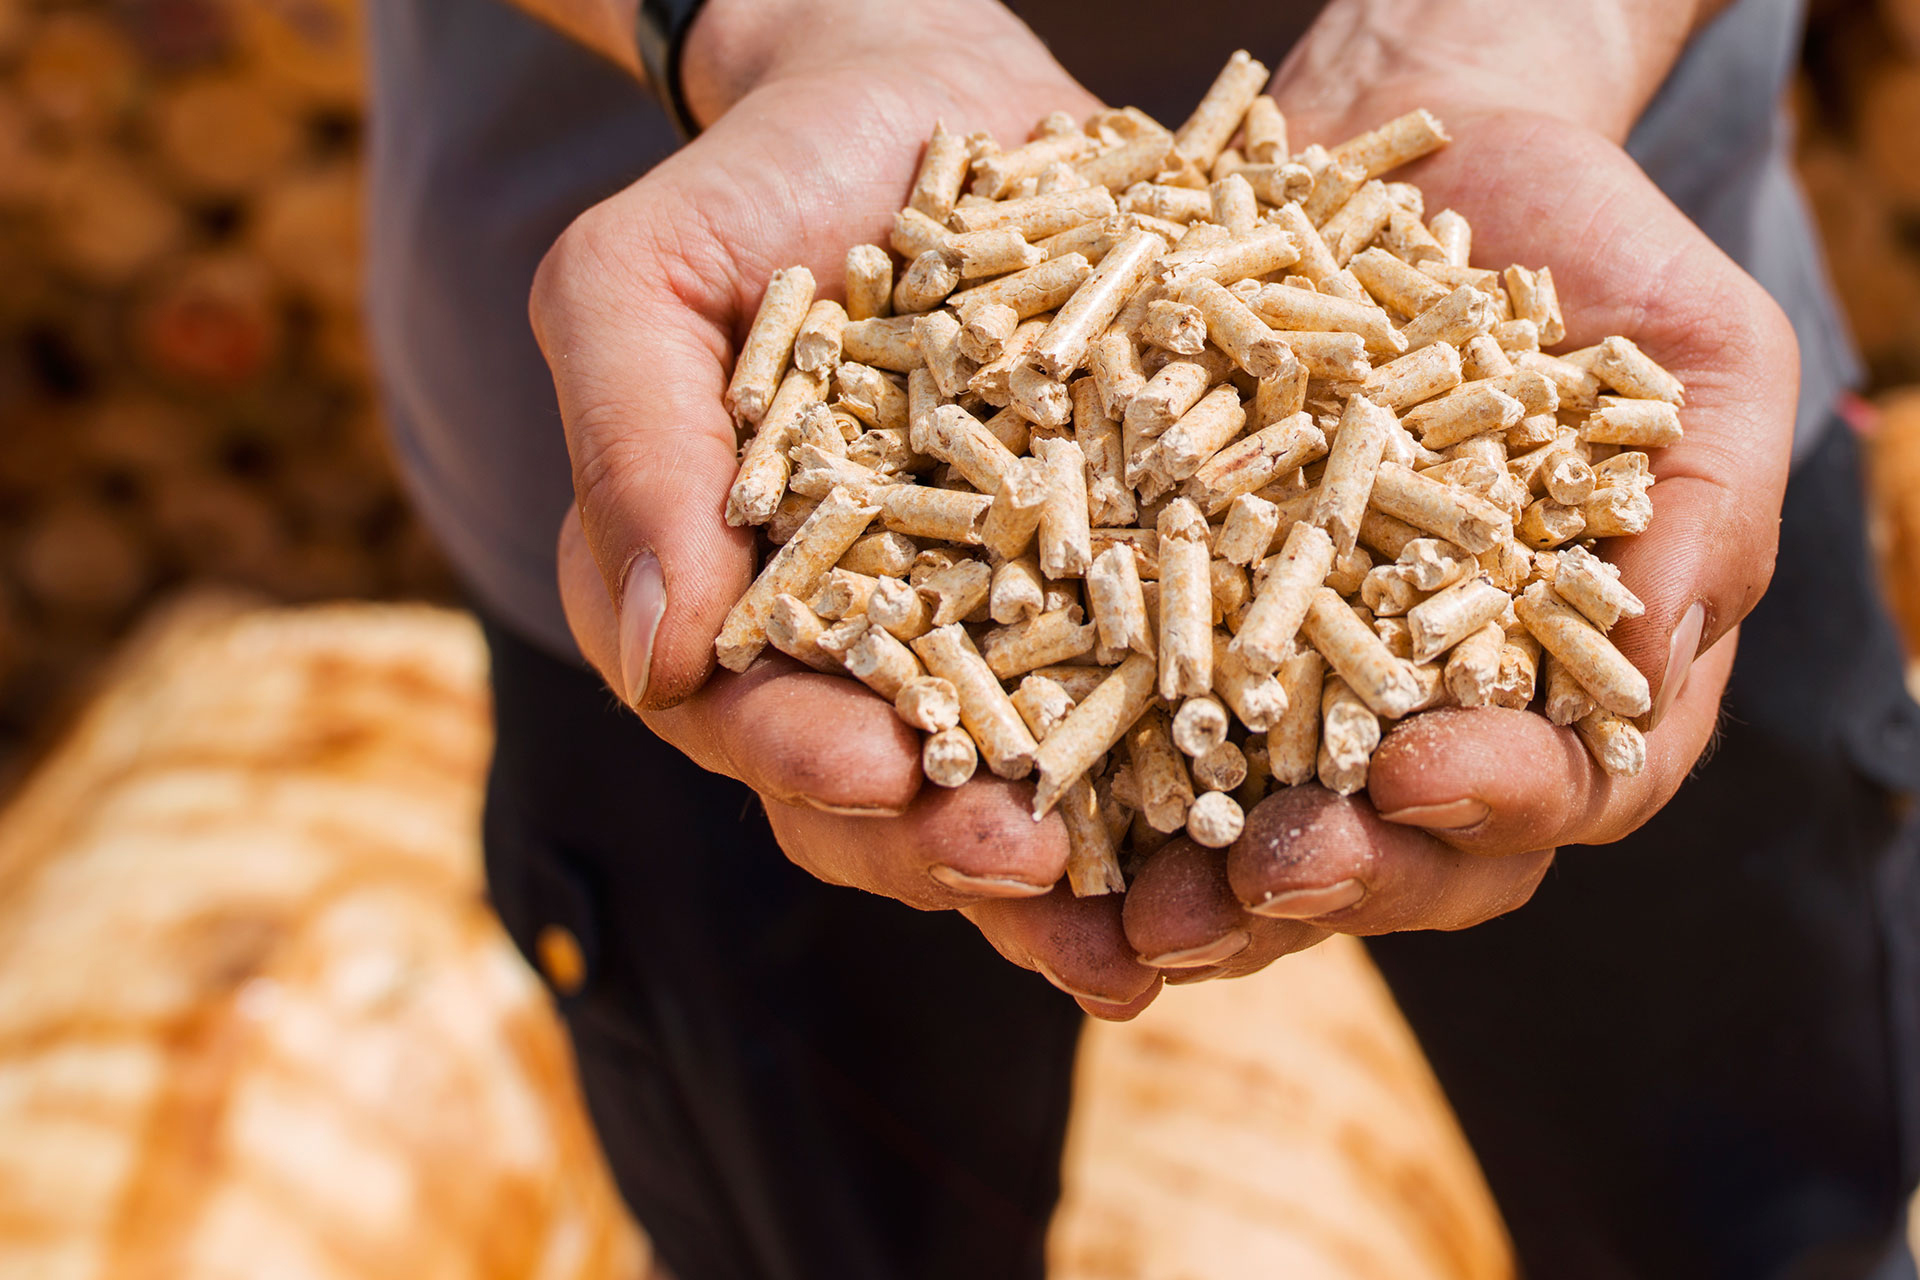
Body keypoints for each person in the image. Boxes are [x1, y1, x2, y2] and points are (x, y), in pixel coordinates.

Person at [365, 1, 1920, 1275]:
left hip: (1592, 241)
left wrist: (1531, 32)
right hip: (720, 331)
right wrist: (781, 22)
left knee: (1758, 1214)